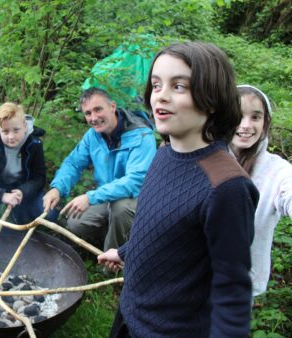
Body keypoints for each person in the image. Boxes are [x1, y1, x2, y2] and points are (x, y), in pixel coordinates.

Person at [98, 41, 259, 337]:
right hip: (131, 314)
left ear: (211, 99)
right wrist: (127, 252)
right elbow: (161, 225)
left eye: (179, 87)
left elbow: (232, 292)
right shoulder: (164, 153)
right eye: (157, 85)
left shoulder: (227, 187)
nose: (161, 97)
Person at [42, 87, 156, 251]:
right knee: (75, 222)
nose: (94, 118)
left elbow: (135, 181)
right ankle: (115, 234)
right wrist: (57, 188)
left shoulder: (142, 136)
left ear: (112, 107)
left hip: (137, 200)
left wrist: (90, 197)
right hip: (108, 196)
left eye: (98, 109)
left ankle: (114, 262)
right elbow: (73, 163)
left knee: (121, 208)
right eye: (88, 113)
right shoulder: (93, 136)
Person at [230, 85, 292, 298]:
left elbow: (289, 190)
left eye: (255, 117)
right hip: (192, 278)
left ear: (265, 123)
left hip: (240, 288)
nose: (246, 125)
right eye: (238, 116)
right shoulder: (204, 159)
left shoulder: (277, 170)